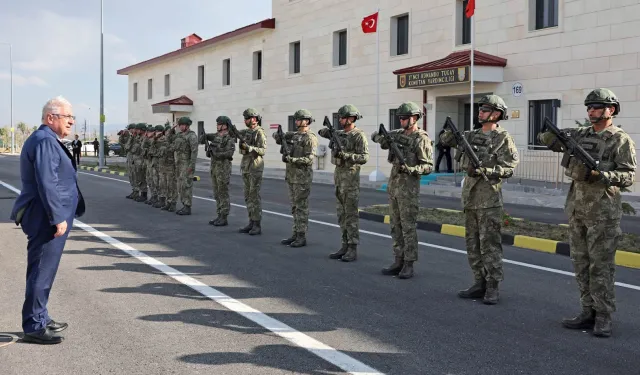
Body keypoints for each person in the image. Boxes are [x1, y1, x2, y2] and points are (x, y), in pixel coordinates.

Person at [538, 88, 637, 337]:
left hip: (603, 212)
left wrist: (600, 174)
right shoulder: (580, 134)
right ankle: (587, 311)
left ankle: (603, 316)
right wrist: (550, 135)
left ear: (610, 110)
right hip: (577, 208)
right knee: (581, 263)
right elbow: (549, 140)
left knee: (600, 267)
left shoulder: (619, 139)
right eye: (589, 107)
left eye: (596, 106)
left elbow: (628, 176)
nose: (590, 111)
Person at [9, 96, 86, 344]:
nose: (72, 122)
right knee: (41, 271)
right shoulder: (44, 140)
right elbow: (47, 181)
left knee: (45, 270)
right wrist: (57, 217)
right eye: (68, 117)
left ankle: (40, 315)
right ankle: (34, 325)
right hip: (45, 218)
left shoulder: (47, 139)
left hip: (47, 216)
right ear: (50, 118)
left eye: (72, 117)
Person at [440, 95, 520, 304]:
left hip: (489, 199)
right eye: (480, 109)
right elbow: (446, 140)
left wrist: (488, 170)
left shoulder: (502, 138)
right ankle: (479, 282)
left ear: (496, 114)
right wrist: (448, 134)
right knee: (472, 244)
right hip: (470, 197)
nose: (480, 112)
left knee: (490, 245)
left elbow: (510, 168)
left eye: (485, 109)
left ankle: (492, 286)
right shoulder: (471, 134)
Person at [371, 102, 433, 279]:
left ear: (415, 118)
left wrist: (413, 169)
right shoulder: (397, 134)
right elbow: (376, 136)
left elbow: (428, 166)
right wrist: (383, 139)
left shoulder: (421, 138)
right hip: (394, 186)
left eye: (405, 118)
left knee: (408, 228)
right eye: (400, 118)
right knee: (395, 226)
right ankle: (398, 259)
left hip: (408, 189)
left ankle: (409, 263)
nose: (402, 121)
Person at [318, 104, 369, 261]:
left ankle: (352, 248)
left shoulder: (358, 136)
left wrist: (348, 156)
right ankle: (344, 244)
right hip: (339, 178)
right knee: (341, 214)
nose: (340, 120)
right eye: (339, 117)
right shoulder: (338, 134)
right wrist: (331, 132)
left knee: (351, 215)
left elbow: (364, 157)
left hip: (350, 179)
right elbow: (322, 131)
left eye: (343, 117)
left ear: (352, 118)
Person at [274, 109, 318, 247]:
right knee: (294, 207)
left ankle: (301, 235)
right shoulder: (293, 135)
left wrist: (292, 160)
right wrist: (279, 135)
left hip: (302, 178)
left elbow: (309, 159)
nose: (297, 121)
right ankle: (295, 232)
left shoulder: (310, 138)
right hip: (291, 176)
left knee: (301, 207)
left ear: (307, 121)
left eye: (300, 119)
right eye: (296, 119)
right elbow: (277, 136)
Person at [236, 108, 267, 235]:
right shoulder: (246, 132)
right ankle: (251, 222)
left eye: (247, 118)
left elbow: (262, 150)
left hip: (255, 167)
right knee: (248, 196)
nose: (245, 120)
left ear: (254, 119)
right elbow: (236, 134)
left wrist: (250, 148)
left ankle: (257, 224)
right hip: (246, 167)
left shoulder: (260, 133)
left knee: (254, 196)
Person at [200, 116, 236, 226]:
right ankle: (219, 214)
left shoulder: (229, 138)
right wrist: (204, 137)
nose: (218, 126)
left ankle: (224, 216)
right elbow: (202, 139)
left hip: (223, 168)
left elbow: (229, 153)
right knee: (216, 193)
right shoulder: (216, 136)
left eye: (220, 124)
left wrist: (216, 153)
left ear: (225, 126)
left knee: (223, 192)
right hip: (214, 167)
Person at [173, 117, 199, 215]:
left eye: (182, 125)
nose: (180, 127)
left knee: (186, 185)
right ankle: (184, 204)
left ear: (187, 125)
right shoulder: (179, 135)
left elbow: (194, 152)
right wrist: (171, 128)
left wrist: (191, 166)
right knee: (180, 186)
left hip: (186, 164)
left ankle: (187, 206)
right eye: (179, 125)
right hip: (179, 164)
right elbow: (169, 138)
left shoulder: (191, 136)